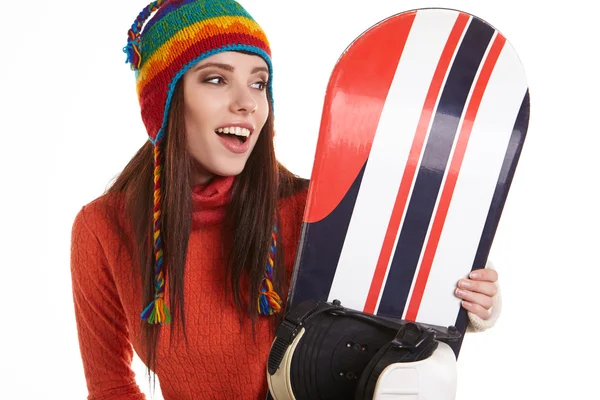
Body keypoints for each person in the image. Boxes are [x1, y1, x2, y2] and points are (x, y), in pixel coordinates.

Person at [69, 0, 502, 399]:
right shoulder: (104, 228)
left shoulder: (308, 209)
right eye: (217, 79)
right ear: (163, 103)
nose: (247, 104)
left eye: (259, 84)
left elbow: (384, 332)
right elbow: (111, 388)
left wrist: (467, 304)